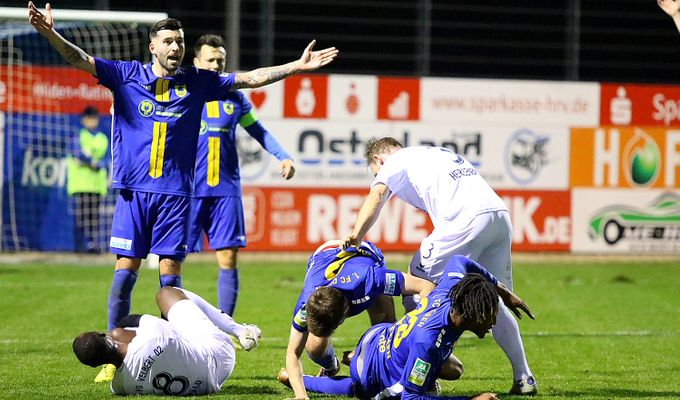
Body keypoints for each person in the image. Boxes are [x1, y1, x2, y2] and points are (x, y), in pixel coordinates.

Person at [28, 1, 337, 382]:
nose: (176, 47)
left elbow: (251, 78)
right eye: (169, 41)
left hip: (175, 197)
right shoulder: (125, 75)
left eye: (180, 41)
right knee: (125, 272)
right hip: (133, 193)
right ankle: (113, 353)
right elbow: (79, 59)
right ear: (153, 47)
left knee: (170, 281)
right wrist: (49, 33)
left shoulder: (198, 81)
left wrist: (296, 66)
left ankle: (178, 349)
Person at [341, 137, 537, 395]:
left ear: (378, 160)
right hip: (499, 217)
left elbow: (376, 195)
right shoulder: (433, 153)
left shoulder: (395, 161)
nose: (380, 177)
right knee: (493, 302)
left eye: (376, 171)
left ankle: (420, 371)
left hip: (466, 222)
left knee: (415, 283)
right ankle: (524, 378)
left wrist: (356, 236)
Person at [278, 255, 534, 400]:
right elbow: (411, 398)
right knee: (368, 392)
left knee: (454, 370)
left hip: (380, 336)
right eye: (489, 314)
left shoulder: (449, 292)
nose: (493, 320)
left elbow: (459, 261)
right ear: (472, 314)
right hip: (370, 369)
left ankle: (349, 358)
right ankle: (306, 378)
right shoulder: (428, 344)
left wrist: (502, 291)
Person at [190, 34, 295, 316]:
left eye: (220, 60)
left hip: (225, 189)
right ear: (196, 61)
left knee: (228, 256)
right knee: (172, 258)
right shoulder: (184, 92)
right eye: (210, 59)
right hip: (188, 189)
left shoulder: (235, 99)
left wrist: (282, 155)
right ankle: (173, 324)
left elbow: (258, 131)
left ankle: (226, 327)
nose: (215, 65)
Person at [286, 239, 436, 400]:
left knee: (388, 333)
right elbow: (292, 353)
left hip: (365, 255)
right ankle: (331, 367)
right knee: (314, 348)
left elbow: (425, 286)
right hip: (324, 256)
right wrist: (301, 395)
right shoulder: (305, 306)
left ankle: (401, 377)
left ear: (345, 312)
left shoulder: (373, 279)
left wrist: (422, 328)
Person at [72, 286, 262, 396]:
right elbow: (136, 320)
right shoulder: (153, 336)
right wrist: (119, 329)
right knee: (167, 293)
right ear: (102, 335)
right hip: (220, 355)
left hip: (208, 384)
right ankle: (240, 330)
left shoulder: (120, 386)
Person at [67, 105, 109, 253]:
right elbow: (77, 153)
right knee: (81, 216)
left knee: (94, 217)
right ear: (83, 120)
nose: (91, 122)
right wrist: (91, 161)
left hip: (96, 185)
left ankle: (92, 245)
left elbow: (107, 160)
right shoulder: (78, 136)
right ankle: (79, 245)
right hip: (81, 184)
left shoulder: (102, 138)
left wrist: (92, 162)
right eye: (88, 119)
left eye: (94, 118)